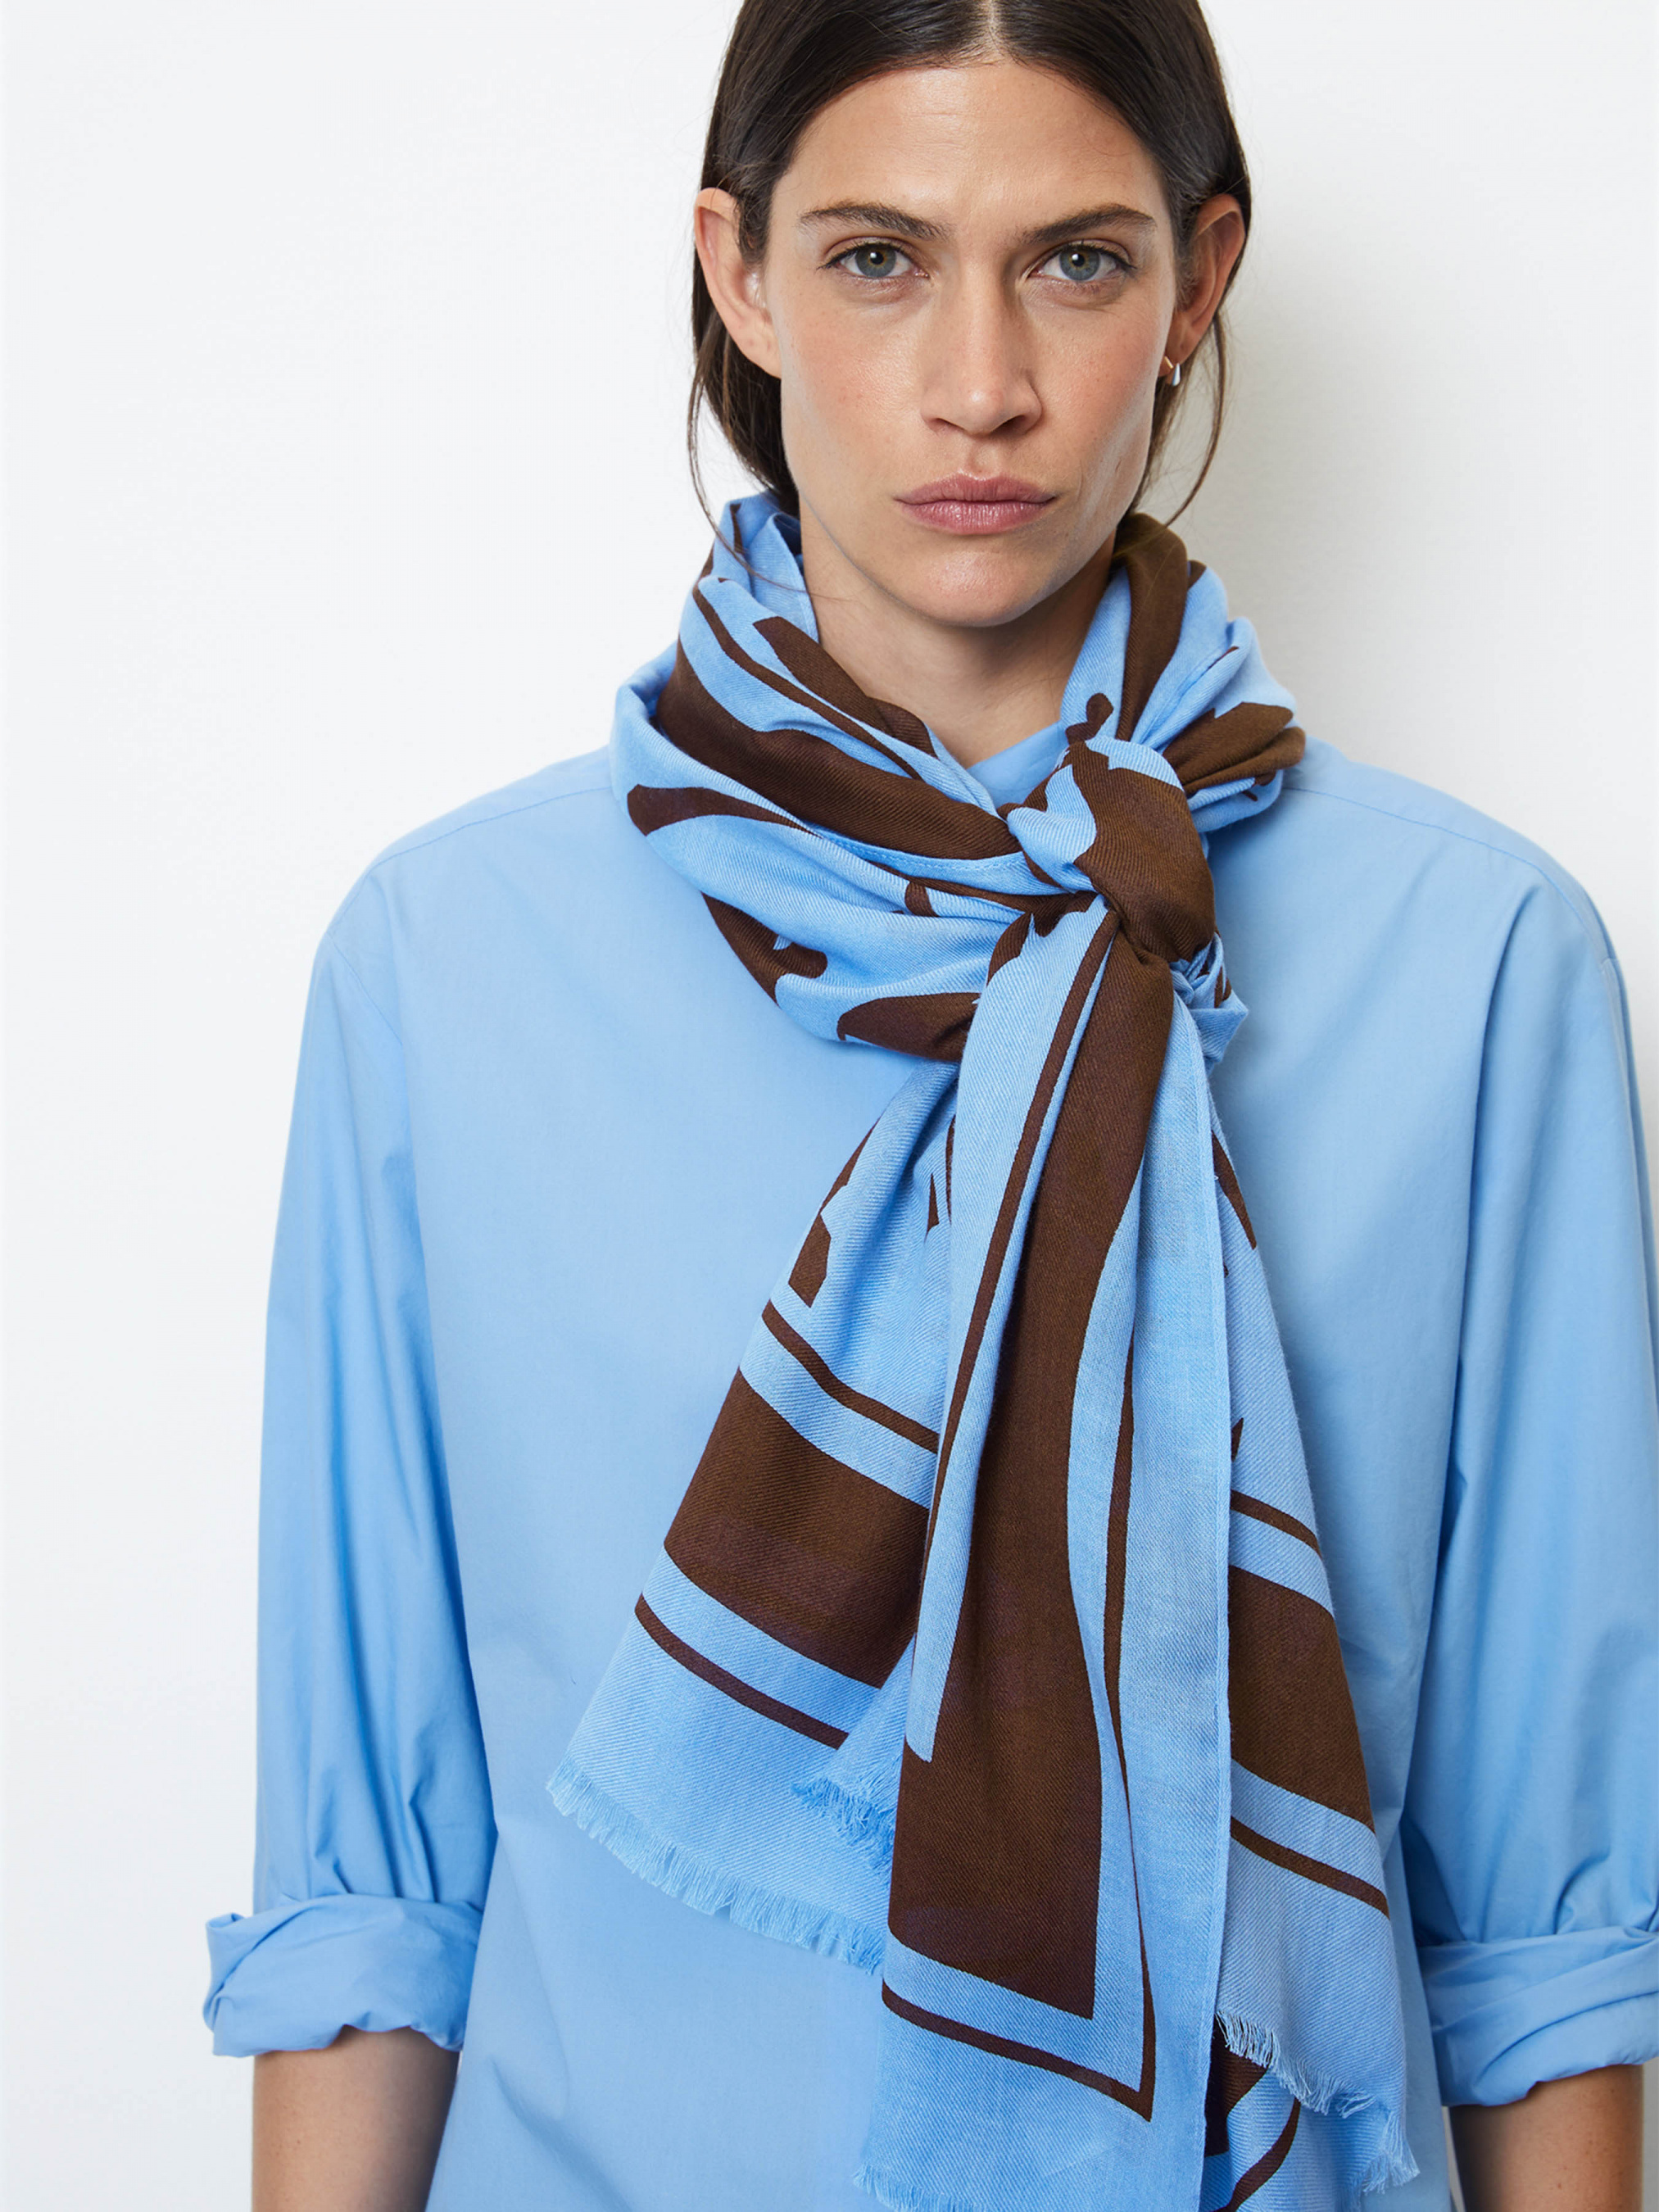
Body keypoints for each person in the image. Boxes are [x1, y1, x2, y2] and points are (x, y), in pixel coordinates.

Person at [203, 1, 1658, 2205]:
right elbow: (372, 1899)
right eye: (878, 258)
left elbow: (1542, 1924)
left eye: (1075, 261)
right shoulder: (445, 962)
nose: (980, 383)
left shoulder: (1471, 968)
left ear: (1200, 279)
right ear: (738, 272)